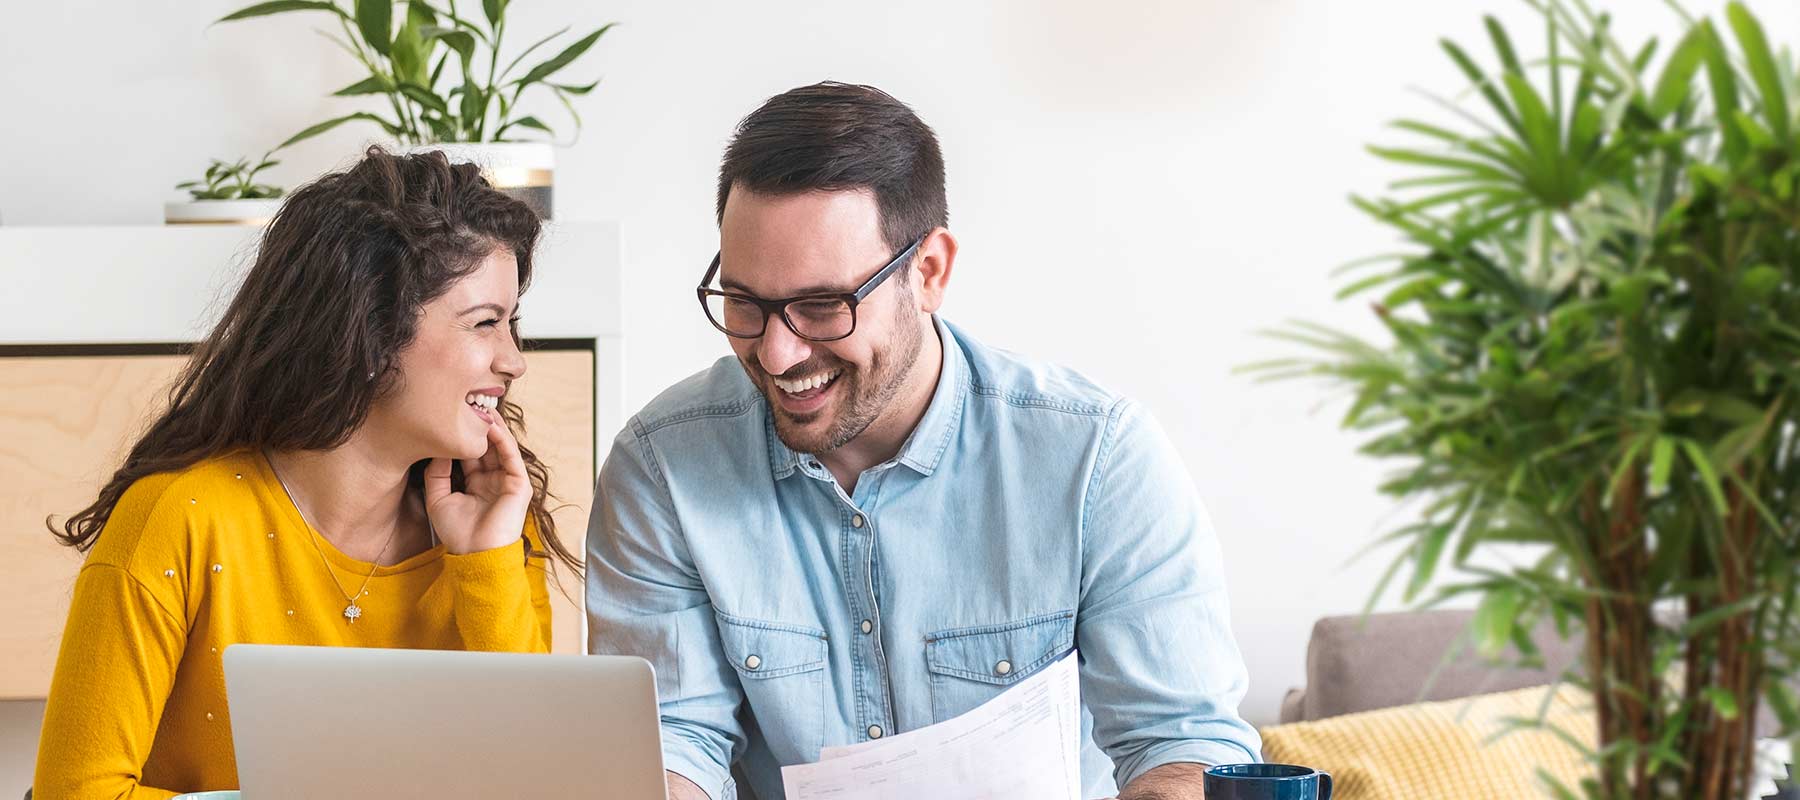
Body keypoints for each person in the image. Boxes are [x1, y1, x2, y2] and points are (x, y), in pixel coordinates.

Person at [587, 82, 1260, 800]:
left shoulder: (1097, 459)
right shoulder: (662, 466)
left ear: (929, 271)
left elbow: (1182, 744)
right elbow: (674, 744)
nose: (778, 354)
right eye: (746, 303)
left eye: (822, 306)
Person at [33, 148, 578, 799]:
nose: (514, 360)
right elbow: (77, 791)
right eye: (485, 323)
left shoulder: (498, 530)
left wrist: (486, 565)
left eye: (512, 324)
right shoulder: (178, 518)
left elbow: (534, 784)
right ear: (373, 332)